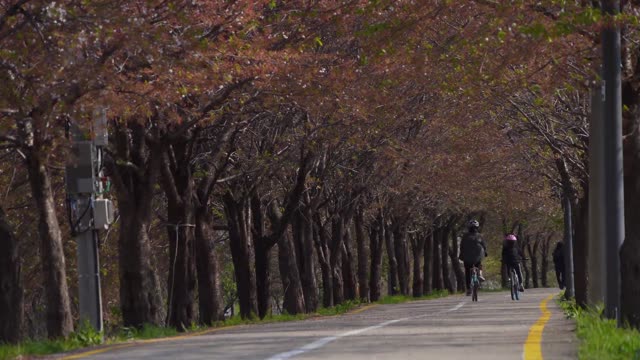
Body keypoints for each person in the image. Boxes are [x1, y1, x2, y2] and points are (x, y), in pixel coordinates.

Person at [459, 219, 487, 296]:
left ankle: (468, 289)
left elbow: (462, 246)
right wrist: (485, 253)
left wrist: (461, 255)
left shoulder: (465, 236)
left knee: (467, 272)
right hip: (478, 256)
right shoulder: (480, 236)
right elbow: (484, 246)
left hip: (467, 257)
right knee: (479, 264)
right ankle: (480, 274)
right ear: (477, 228)